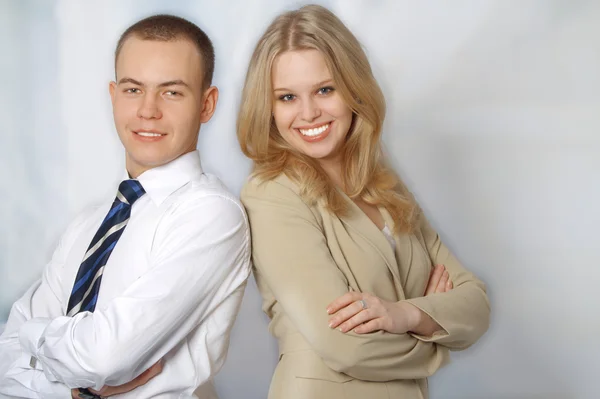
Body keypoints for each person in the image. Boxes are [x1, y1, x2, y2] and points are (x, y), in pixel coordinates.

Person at [237, 4, 490, 398]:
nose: (308, 113)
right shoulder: (272, 193)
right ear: (268, 107)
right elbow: (347, 346)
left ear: (353, 87)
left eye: (325, 89)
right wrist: (435, 333)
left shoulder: (383, 181)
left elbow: (475, 303)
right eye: (287, 97)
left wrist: (403, 314)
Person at [0, 14, 251, 399]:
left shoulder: (212, 216)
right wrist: (72, 390)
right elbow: (5, 359)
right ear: (114, 95)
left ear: (207, 104)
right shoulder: (88, 224)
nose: (148, 110)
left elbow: (104, 358)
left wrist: (33, 337)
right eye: (134, 90)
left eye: (171, 92)